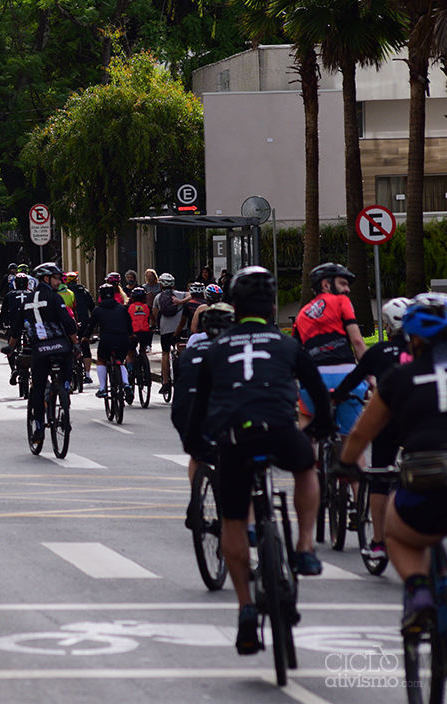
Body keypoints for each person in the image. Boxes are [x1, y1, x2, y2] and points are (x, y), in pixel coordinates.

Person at [184, 266, 335, 655]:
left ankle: (246, 609)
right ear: (271, 305)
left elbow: (200, 407)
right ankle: (304, 547)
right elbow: (317, 390)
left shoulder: (217, 346)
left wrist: (197, 445)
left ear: (234, 305)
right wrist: (323, 427)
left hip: (235, 437)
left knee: (233, 522)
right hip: (281, 430)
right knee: (305, 468)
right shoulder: (286, 344)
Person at [337, 293, 447, 632]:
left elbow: (360, 435)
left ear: (413, 338)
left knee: (398, 535)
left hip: (425, 475)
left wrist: (344, 466)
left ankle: (417, 591)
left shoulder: (399, 378)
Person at [331, 297, 410, 564]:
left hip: (386, 419)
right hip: (419, 421)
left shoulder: (379, 353)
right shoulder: (427, 354)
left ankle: (378, 542)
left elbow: (353, 380)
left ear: (387, 326)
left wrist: (336, 396)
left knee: (379, 475)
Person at [293, 262, 368, 453]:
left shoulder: (302, 314)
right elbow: (358, 343)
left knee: (306, 421)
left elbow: (296, 354)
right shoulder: (341, 302)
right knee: (351, 440)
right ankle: (355, 482)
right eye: (343, 283)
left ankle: (309, 470)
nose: (347, 289)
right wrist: (373, 375)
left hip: (314, 380)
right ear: (326, 285)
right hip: (347, 377)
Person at [171, 303, 235, 526]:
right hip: (217, 410)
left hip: (183, 412)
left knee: (198, 455)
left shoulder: (190, 351)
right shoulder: (233, 350)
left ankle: (196, 499)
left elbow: (180, 379)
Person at [9, 263, 78, 445]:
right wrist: (76, 343)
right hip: (60, 345)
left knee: (38, 389)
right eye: (56, 278)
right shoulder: (55, 298)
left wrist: (10, 347)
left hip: (39, 349)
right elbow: (68, 323)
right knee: (68, 359)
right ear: (46, 279)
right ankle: (64, 388)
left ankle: (39, 427)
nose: (59, 281)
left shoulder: (27, 300)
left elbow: (16, 329)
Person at [85, 282, 134, 402]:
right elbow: (129, 324)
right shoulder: (122, 308)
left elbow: (91, 326)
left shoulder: (98, 310)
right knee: (121, 362)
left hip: (107, 339)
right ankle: (126, 384)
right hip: (122, 339)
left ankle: (102, 388)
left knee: (101, 360)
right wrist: (131, 335)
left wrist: (85, 337)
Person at [153, 272, 190, 397]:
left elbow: (154, 314)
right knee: (181, 349)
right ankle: (185, 375)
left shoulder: (158, 298)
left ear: (161, 285)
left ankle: (165, 383)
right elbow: (192, 295)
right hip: (180, 328)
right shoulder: (181, 294)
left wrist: (153, 326)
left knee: (165, 353)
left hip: (165, 329)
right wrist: (181, 302)